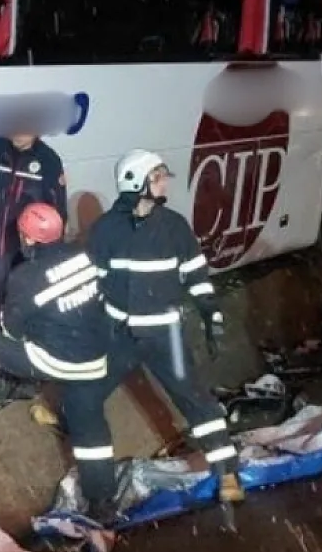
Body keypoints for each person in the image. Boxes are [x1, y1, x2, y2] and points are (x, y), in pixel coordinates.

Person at [87, 149, 245, 507]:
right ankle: (89, 474)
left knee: (197, 401)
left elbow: (197, 277)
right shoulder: (106, 230)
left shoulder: (174, 226)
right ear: (135, 182)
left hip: (165, 336)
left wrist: (211, 315)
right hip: (120, 336)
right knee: (86, 395)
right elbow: (94, 283)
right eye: (157, 177)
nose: (165, 183)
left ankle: (227, 472)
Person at [0, 203, 121, 522]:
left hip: (56, 360)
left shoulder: (26, 277)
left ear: (28, 238)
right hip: (96, 358)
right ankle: (103, 503)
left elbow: (11, 332)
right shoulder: (85, 255)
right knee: (91, 427)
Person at [0, 132, 69, 328]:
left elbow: (57, 213)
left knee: (22, 303)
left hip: (27, 252)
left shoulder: (48, 160)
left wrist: (49, 256)